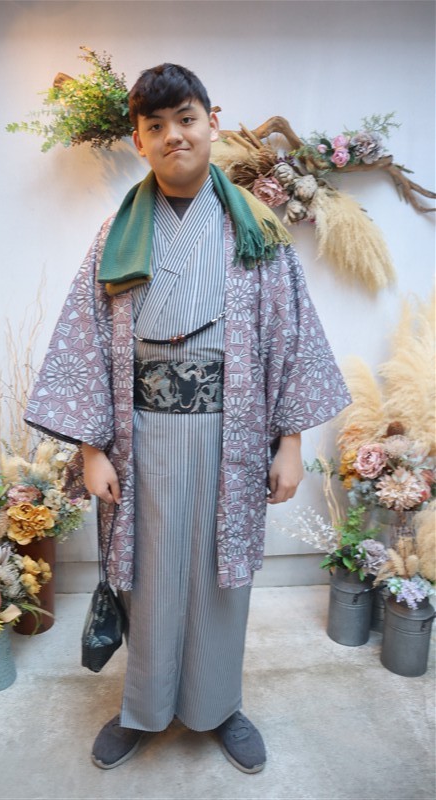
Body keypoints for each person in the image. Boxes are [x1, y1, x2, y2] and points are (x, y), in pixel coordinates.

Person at [24, 63, 350, 774]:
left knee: (218, 580)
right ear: (138, 141)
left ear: (212, 122)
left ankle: (218, 705)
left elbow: (290, 339)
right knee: (145, 578)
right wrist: (91, 450)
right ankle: (141, 708)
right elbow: (83, 341)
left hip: (231, 436)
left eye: (186, 119)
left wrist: (291, 443)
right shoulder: (115, 236)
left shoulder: (258, 233)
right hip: (139, 440)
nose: (174, 135)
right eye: (156, 125)